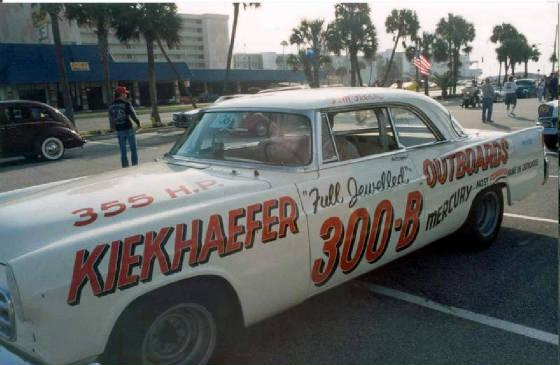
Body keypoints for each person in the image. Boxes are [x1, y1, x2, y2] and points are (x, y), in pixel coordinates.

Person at [109, 86, 141, 167]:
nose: (126, 95)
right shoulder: (126, 104)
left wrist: (113, 127)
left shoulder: (111, 106)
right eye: (125, 93)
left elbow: (111, 118)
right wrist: (138, 123)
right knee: (133, 149)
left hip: (119, 130)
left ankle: (125, 167)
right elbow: (133, 115)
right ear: (121, 94)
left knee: (123, 151)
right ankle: (135, 166)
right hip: (128, 128)